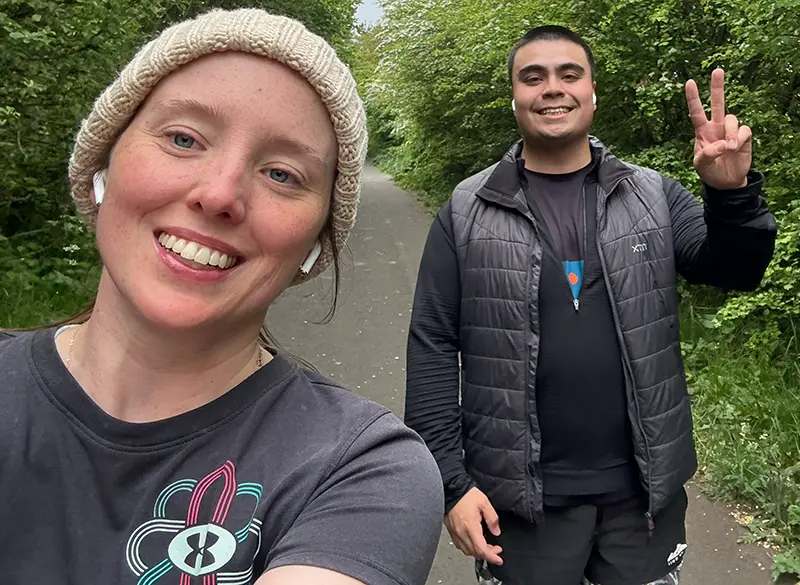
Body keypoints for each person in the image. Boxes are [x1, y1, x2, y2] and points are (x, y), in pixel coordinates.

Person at [0, 8, 444, 584]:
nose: (220, 194)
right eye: (183, 138)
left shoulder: (363, 473)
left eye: (282, 174)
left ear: (315, 240)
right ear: (101, 163)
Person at [404, 25, 777, 585]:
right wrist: (452, 484)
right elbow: (432, 345)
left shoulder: (652, 195)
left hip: (642, 500)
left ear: (593, 91)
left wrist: (731, 195)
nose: (552, 88)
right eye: (533, 77)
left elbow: (737, 270)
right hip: (520, 506)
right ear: (515, 97)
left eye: (569, 74)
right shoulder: (467, 209)